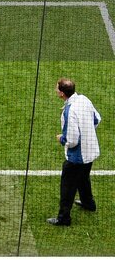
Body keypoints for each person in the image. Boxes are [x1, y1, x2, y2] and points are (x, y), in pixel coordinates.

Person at [48, 78, 101, 226]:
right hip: (91, 150)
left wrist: (61, 139)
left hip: (77, 157)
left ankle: (64, 218)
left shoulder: (69, 111)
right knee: (83, 177)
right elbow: (97, 119)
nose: (55, 90)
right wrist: (87, 131)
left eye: (57, 88)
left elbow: (72, 140)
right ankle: (88, 204)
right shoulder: (84, 99)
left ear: (62, 94)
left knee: (67, 187)